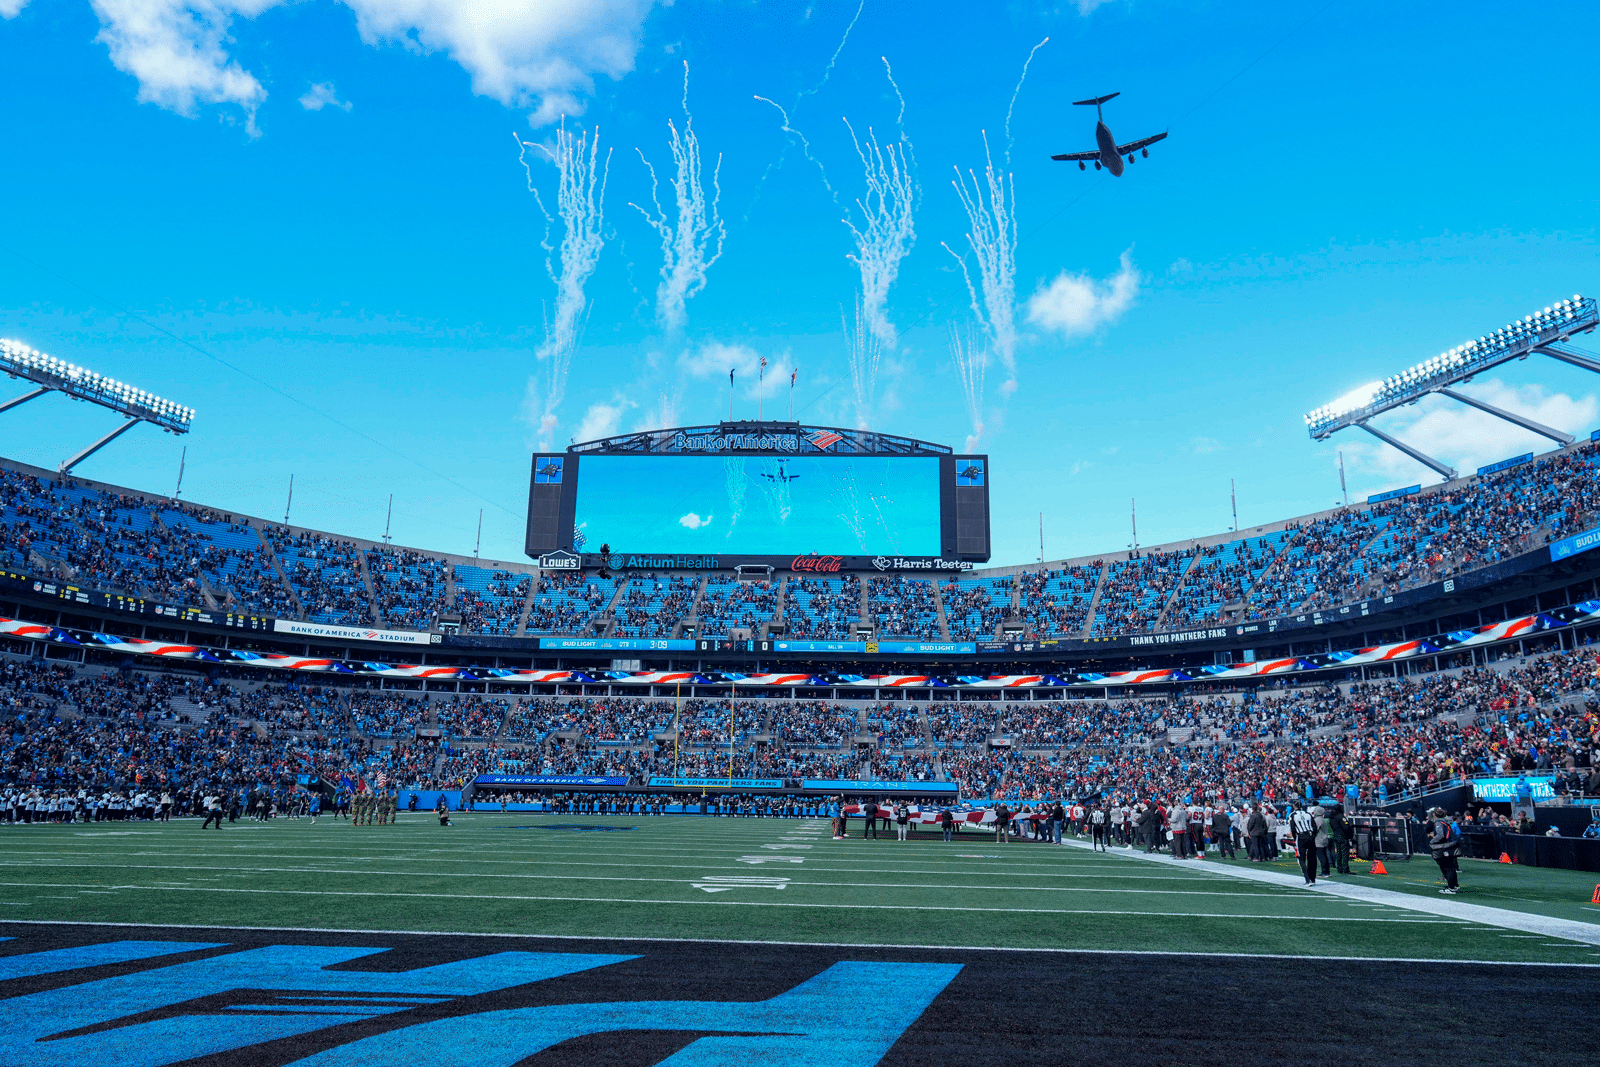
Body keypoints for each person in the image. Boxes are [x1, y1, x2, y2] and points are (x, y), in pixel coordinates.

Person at [1428, 807, 1461, 893]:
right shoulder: (1446, 821)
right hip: (1450, 845)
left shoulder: (1439, 823)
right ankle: (1454, 885)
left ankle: (1451, 887)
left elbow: (1441, 835)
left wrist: (1432, 841)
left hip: (1444, 846)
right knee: (1451, 867)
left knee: (1446, 867)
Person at [1290, 801, 1319, 886]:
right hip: (1310, 836)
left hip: (1301, 837)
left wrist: (1295, 839)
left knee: (1301, 858)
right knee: (1312, 858)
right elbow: (1314, 827)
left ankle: (1307, 879)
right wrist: (1313, 835)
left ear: (1294, 806)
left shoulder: (1292, 815)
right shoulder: (1308, 814)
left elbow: (1292, 828)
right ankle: (1312, 878)